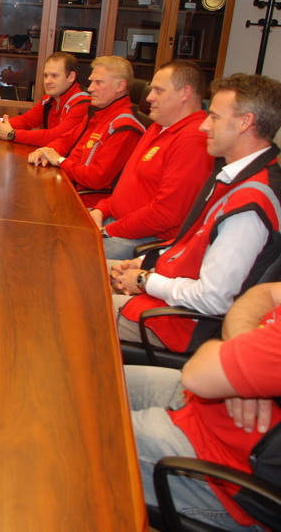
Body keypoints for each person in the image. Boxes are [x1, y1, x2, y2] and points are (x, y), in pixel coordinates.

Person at [111, 73, 281, 352]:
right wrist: (143, 263)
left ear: (244, 122)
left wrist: (145, 280)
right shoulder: (234, 176)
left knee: (71, 309)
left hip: (177, 323)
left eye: (214, 117)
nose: (204, 125)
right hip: (164, 296)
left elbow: (212, 299)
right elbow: (190, 245)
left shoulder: (250, 204)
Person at [125, 280, 281, 530]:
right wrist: (244, 359)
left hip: (226, 474)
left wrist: (240, 362)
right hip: (204, 402)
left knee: (71, 437)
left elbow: (197, 375)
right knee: (95, 381)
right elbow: (265, 291)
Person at [91, 61, 213, 259]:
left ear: (185, 93)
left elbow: (166, 214)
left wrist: (109, 230)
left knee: (67, 254)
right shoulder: (159, 125)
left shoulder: (194, 139)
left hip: (145, 238)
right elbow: (130, 185)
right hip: (115, 221)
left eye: (158, 90)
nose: (149, 97)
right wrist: (101, 209)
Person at [28, 56, 145, 193]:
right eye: (91, 82)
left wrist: (59, 160)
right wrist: (45, 151)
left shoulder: (125, 127)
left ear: (120, 86)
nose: (90, 88)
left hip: (87, 199)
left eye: (98, 82)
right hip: (69, 183)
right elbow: (66, 140)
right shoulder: (98, 113)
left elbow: (95, 178)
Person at [0, 52, 90, 146]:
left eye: (54, 76)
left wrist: (12, 134)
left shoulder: (82, 103)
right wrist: (1, 126)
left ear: (71, 77)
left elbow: (55, 137)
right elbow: (26, 120)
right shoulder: (48, 99)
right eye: (45, 76)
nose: (47, 81)